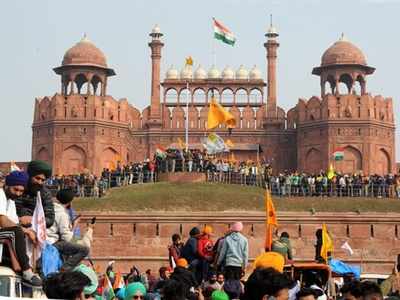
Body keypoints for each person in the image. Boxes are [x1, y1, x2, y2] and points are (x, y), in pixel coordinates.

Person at [0, 171, 42, 286]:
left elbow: (13, 222)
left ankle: (26, 268)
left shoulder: (11, 200)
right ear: (7, 186)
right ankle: (27, 271)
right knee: (17, 232)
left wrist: (27, 228)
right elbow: (3, 221)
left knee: (22, 233)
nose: (18, 193)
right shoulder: (0, 195)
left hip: (3, 234)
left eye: (21, 191)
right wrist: (25, 230)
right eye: (16, 189)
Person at [46, 189, 89, 270]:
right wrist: (75, 225)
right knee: (84, 250)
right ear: (69, 201)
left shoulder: (50, 209)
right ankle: (65, 268)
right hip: (52, 242)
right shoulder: (62, 214)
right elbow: (67, 238)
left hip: (46, 240)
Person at [15, 160, 55, 229]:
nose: (40, 182)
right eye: (37, 178)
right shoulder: (18, 188)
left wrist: (32, 219)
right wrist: (18, 219)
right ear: (30, 176)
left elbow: (50, 219)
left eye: (43, 180)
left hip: (35, 229)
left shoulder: (45, 193)